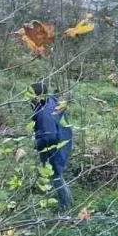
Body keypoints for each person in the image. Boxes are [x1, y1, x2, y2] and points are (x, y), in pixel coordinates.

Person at [30, 82, 73, 212]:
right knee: (57, 174)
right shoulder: (52, 101)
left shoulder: (44, 112)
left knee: (56, 175)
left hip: (53, 147)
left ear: (37, 96)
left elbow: (49, 136)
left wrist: (37, 143)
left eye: (30, 96)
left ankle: (65, 207)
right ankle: (65, 202)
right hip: (63, 139)